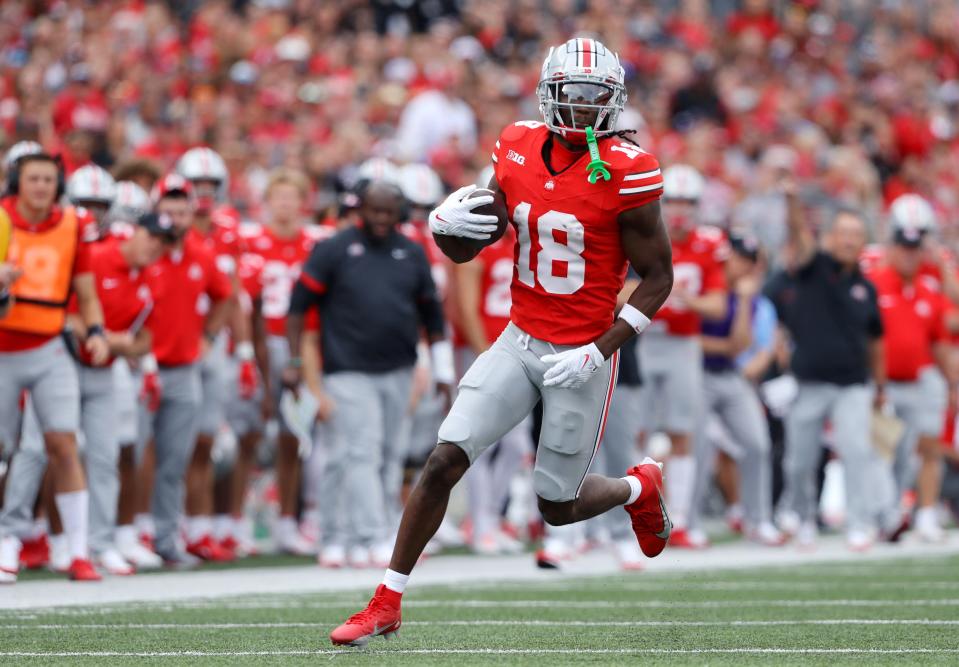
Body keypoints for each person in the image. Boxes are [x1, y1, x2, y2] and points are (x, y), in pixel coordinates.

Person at [327, 38, 674, 647]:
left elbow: (659, 277)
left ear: (614, 102)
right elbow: (475, 240)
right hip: (518, 338)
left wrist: (601, 349)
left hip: (583, 351)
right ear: (549, 93)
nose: (585, 108)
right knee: (443, 458)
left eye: (597, 97)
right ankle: (386, 600)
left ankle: (638, 487)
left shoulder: (628, 169)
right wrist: (445, 228)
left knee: (556, 506)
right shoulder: (515, 146)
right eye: (573, 94)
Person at [286, 180, 451, 569]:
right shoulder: (334, 249)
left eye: (387, 212)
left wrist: (442, 370)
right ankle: (370, 534)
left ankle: (340, 535)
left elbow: (433, 316)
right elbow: (297, 308)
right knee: (361, 451)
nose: (380, 220)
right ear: (360, 210)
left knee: (387, 455)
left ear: (400, 214)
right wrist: (295, 363)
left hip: (398, 368)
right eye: (373, 211)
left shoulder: (411, 253)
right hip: (347, 369)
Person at [0, 151, 109, 583]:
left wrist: (96, 329)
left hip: (49, 345)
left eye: (48, 179)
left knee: (64, 443)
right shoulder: (3, 218)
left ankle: (78, 551)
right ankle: (7, 539)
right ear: (17, 181)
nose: (42, 186)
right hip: (4, 346)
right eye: (34, 178)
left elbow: (84, 289)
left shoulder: (71, 225)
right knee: (4, 452)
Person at [767, 184, 887, 550]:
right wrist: (791, 202)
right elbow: (799, 236)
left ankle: (859, 522)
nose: (850, 241)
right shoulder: (813, 267)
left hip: (853, 383)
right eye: (844, 233)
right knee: (799, 459)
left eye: (856, 235)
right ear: (831, 237)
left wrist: (879, 386)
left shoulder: (866, 288)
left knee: (855, 451)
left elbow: (876, 340)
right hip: (811, 381)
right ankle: (802, 517)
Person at [228, 167, 330, 556]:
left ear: (303, 203)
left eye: (292, 197)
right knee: (249, 435)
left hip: (301, 343)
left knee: (293, 436)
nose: (285, 205)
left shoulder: (315, 244)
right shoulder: (251, 241)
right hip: (260, 340)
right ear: (267, 202)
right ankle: (234, 522)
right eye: (279, 197)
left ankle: (287, 522)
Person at [139, 174, 232, 566]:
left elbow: (225, 295)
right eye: (168, 211)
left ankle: (164, 535)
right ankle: (133, 532)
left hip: (184, 368)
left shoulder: (200, 252)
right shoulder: (144, 249)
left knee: (175, 458)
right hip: (142, 365)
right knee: (138, 452)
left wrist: (208, 338)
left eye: (181, 211)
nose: (175, 219)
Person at [638, 164, 727, 549]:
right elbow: (617, 292)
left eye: (687, 202)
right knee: (636, 432)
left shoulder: (708, 243)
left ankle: (683, 520)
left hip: (681, 346)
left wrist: (681, 298)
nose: (679, 209)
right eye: (673, 200)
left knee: (682, 433)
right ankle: (639, 518)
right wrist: (657, 297)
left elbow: (717, 305)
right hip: (640, 340)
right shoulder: (642, 234)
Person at [175, 147, 254, 562]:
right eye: (197, 185)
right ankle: (167, 525)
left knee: (207, 438)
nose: (203, 193)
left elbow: (235, 295)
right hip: (177, 344)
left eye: (209, 185)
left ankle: (200, 526)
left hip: (214, 344)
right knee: (173, 441)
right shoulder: (174, 227)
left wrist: (243, 352)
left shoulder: (227, 230)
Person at [865, 199, 956, 542]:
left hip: (922, 376)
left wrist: (951, 381)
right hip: (885, 380)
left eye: (917, 244)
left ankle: (927, 515)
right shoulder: (873, 274)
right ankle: (886, 514)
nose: (910, 252)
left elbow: (948, 325)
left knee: (929, 446)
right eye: (903, 244)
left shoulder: (932, 279)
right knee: (887, 452)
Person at [692, 233, 783, 546]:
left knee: (757, 443)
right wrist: (724, 345)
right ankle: (687, 522)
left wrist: (744, 301)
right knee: (697, 447)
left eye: (748, 260)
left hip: (729, 374)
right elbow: (690, 339)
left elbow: (741, 344)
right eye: (737, 258)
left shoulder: (749, 297)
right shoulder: (704, 284)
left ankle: (758, 520)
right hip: (695, 372)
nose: (741, 266)